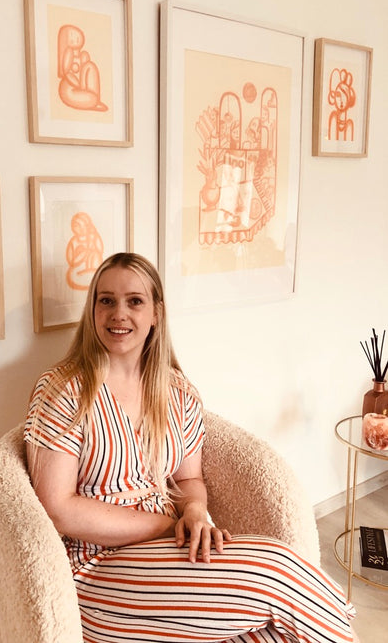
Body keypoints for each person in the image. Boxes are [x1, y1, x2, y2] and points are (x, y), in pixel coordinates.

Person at [24, 252, 359, 643]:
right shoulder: (64, 391)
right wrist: (169, 526)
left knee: (271, 634)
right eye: (106, 300)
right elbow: (58, 508)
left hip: (168, 554)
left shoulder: (177, 391)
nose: (119, 314)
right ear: (93, 309)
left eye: (134, 301)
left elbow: (188, 479)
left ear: (156, 313)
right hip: (97, 571)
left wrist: (196, 510)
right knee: (277, 570)